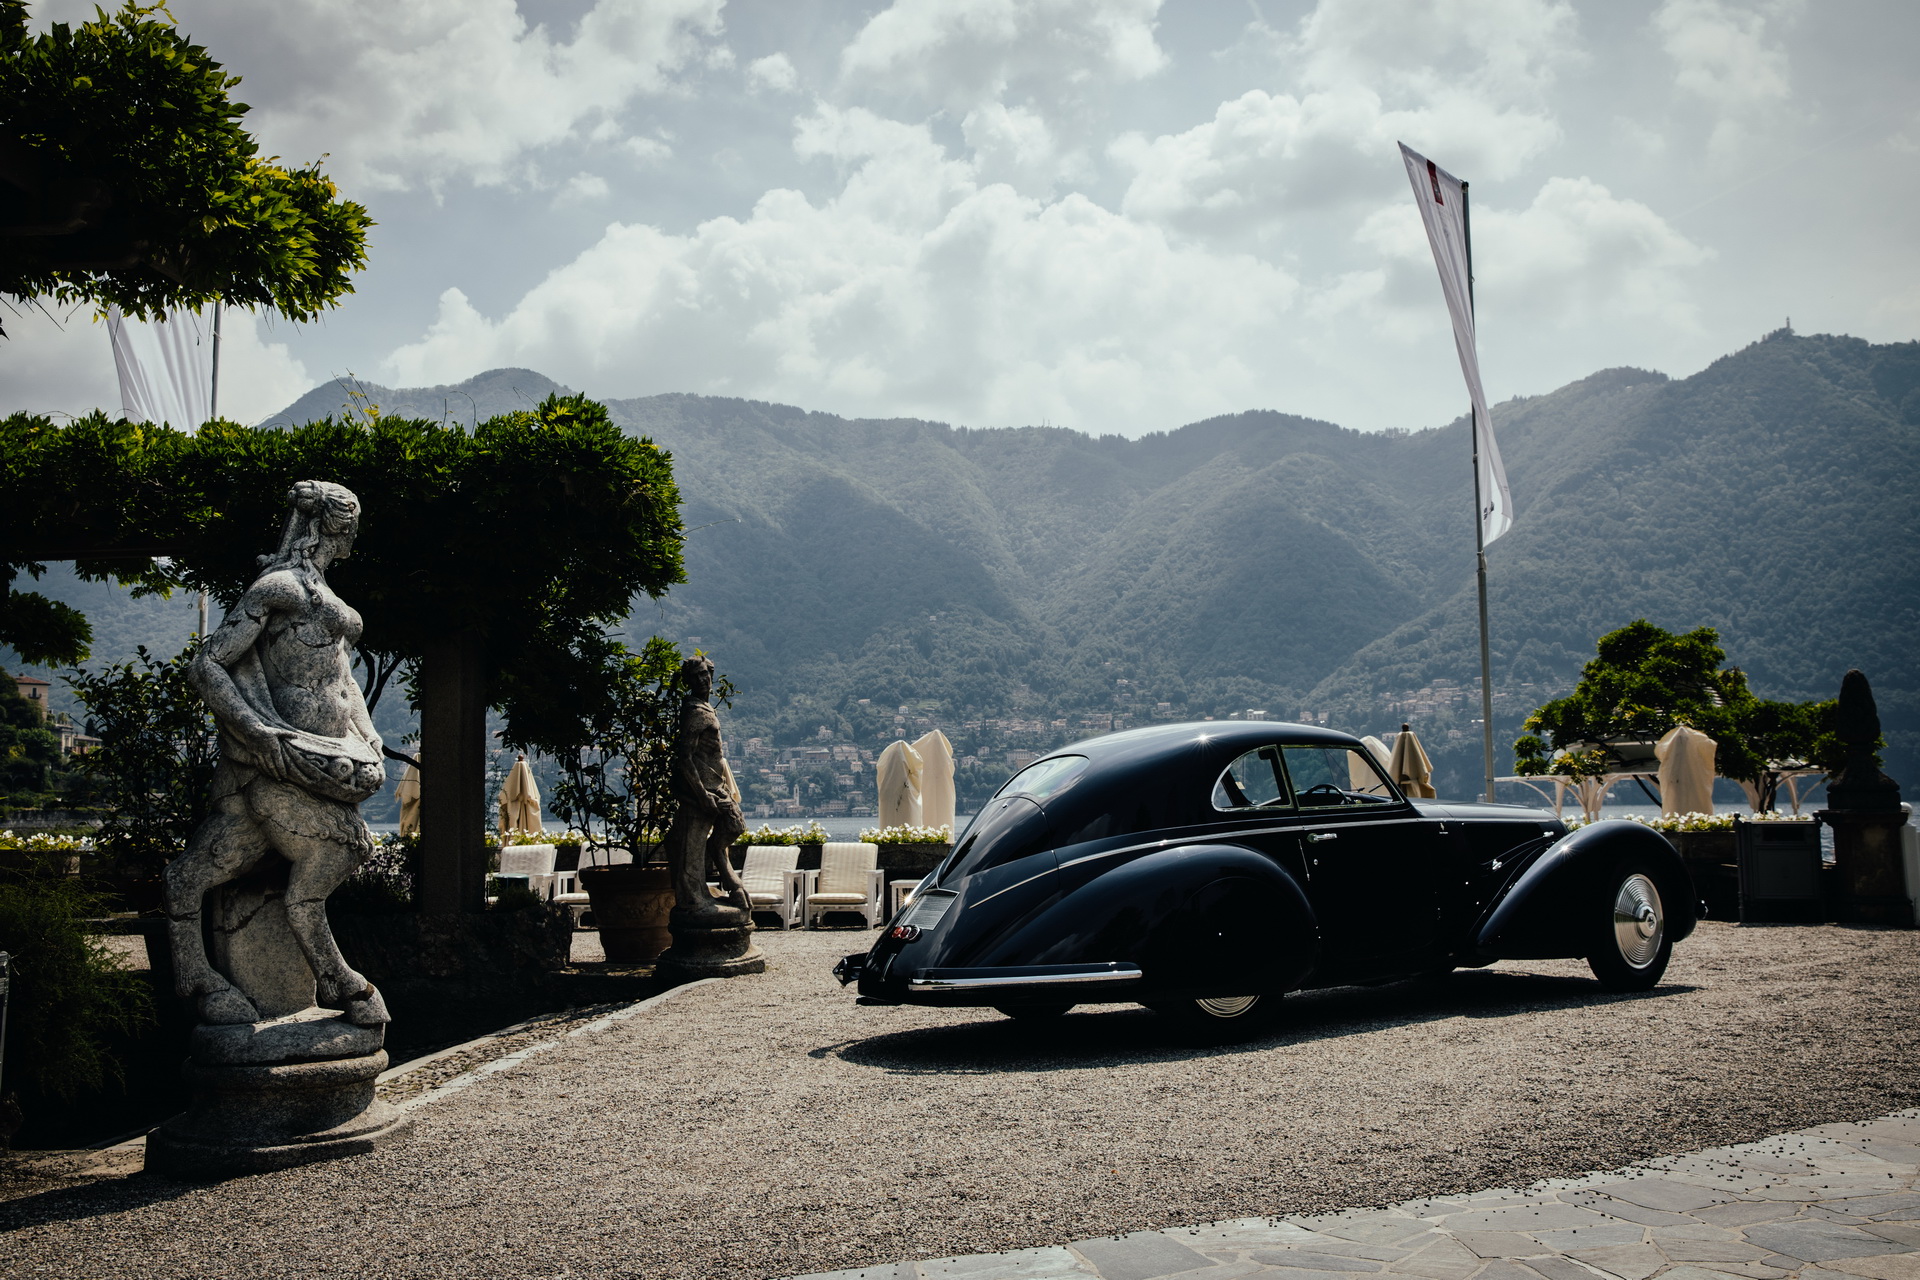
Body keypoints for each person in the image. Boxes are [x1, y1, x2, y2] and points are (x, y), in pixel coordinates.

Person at [164, 480, 389, 1026]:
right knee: (342, 847)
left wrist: (368, 732)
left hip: (332, 754)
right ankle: (336, 978)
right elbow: (208, 664)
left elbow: (343, 681)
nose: (355, 537)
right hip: (282, 753)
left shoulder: (323, 595)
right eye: (351, 524)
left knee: (208, 866)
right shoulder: (281, 588)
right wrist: (255, 729)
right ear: (333, 527)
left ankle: (233, 975)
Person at [663, 654, 750, 920]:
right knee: (693, 843)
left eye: (706, 674)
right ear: (689, 681)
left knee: (734, 826)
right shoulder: (694, 712)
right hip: (700, 790)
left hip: (716, 785)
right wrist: (700, 794)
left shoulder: (704, 708)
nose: (703, 680)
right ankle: (693, 900)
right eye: (697, 676)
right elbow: (685, 757)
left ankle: (720, 871)